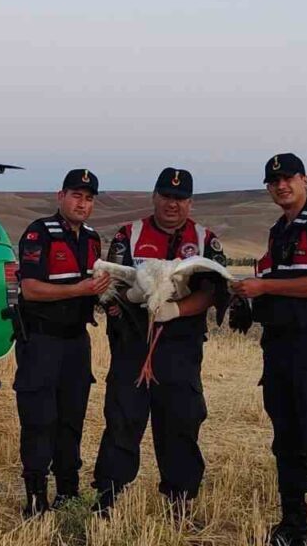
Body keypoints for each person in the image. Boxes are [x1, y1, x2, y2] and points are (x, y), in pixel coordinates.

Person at [92, 167, 228, 512]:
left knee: (181, 421)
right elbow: (112, 285)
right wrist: (124, 305)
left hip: (181, 347)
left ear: (190, 203)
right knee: (123, 418)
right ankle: (108, 496)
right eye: (167, 196)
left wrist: (177, 310)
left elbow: (214, 291)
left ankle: (180, 501)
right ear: (154, 196)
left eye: (180, 199)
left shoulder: (205, 240)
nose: (173, 204)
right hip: (132, 345)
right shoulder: (129, 234)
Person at [230, 153, 307, 546]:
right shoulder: (278, 231)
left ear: (305, 179)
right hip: (278, 344)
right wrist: (250, 301)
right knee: (285, 437)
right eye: (274, 180)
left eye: (289, 178)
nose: (282, 185)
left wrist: (264, 288)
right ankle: (293, 523)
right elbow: (276, 280)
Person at [13, 168, 111, 518]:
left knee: (72, 418)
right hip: (41, 340)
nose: (82, 203)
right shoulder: (39, 233)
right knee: (39, 419)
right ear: (61, 196)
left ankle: (67, 490)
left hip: (76, 343)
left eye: (88, 198)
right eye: (76, 196)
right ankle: (35, 496)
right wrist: (78, 290)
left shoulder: (93, 239)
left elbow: (96, 287)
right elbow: (30, 289)